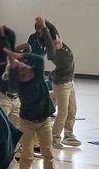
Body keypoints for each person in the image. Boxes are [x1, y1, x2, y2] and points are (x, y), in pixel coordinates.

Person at [5, 48, 61, 169]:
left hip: (44, 121)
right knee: (27, 155)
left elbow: (39, 59)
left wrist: (19, 55)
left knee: (48, 153)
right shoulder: (19, 86)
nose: (25, 69)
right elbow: (10, 85)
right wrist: (12, 63)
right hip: (27, 122)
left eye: (25, 66)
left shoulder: (37, 75)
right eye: (21, 70)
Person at [33, 19, 79, 149]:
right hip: (61, 85)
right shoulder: (53, 54)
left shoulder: (63, 45)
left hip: (70, 83)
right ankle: (54, 138)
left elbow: (53, 30)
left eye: (58, 39)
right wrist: (44, 30)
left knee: (72, 110)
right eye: (55, 42)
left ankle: (69, 135)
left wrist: (44, 22)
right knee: (63, 112)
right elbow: (49, 39)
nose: (58, 41)